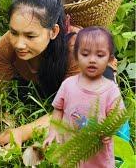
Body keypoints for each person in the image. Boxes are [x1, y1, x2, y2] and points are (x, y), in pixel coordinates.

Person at [0, 0, 120, 146]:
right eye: (14, 32)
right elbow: (3, 78)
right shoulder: (6, 46)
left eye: (30, 36)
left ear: (53, 32)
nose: (19, 44)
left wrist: (22, 132)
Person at [43, 26, 124, 167]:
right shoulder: (68, 85)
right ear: (76, 56)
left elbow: (117, 117)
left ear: (110, 59)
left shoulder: (111, 90)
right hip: (70, 149)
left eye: (100, 55)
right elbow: (58, 109)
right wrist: (52, 132)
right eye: (85, 54)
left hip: (97, 154)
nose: (92, 60)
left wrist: (108, 131)